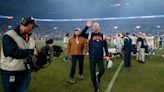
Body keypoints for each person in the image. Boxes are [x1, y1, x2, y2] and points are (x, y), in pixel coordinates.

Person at [0, 17, 39, 92]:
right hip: (10, 72)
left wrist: (40, 53)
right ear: (24, 24)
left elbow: (34, 50)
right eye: (32, 26)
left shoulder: (30, 37)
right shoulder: (9, 36)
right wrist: (31, 51)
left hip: (26, 72)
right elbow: (12, 52)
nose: (33, 28)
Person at [80, 21, 109, 92]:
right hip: (92, 57)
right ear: (93, 27)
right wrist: (87, 26)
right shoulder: (90, 34)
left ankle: (98, 76)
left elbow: (105, 46)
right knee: (92, 73)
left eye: (96, 25)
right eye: (94, 25)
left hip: (100, 57)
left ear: (99, 27)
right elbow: (81, 34)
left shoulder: (102, 35)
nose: (95, 26)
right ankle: (96, 88)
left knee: (102, 71)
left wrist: (107, 55)